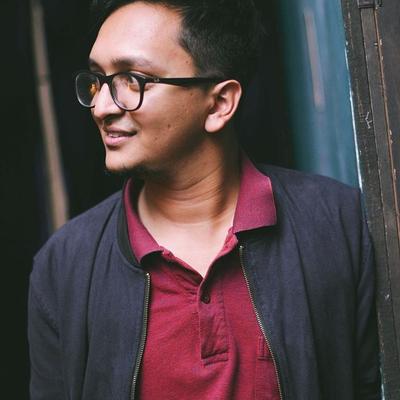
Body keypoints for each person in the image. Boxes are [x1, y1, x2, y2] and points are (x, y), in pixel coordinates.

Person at [28, 0, 381, 399]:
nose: (102, 107)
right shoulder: (65, 266)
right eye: (98, 80)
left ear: (219, 104)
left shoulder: (339, 224)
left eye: (132, 80)